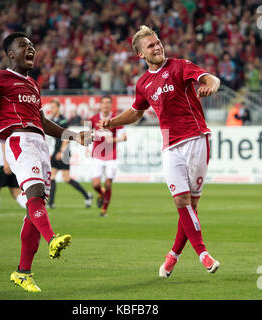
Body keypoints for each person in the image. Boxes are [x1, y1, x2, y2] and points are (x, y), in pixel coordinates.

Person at [0, 32, 92, 293]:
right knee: (34, 194)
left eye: (33, 46)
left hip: (39, 143)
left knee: (34, 210)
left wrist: (74, 136)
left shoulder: (34, 85)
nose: (31, 49)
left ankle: (22, 272)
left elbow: (43, 122)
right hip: (18, 139)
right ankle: (52, 238)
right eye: (24, 45)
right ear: (11, 53)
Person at [100, 26, 221, 277]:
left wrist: (211, 86)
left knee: (191, 205)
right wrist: (112, 122)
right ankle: (203, 254)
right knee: (180, 201)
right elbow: (135, 112)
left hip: (196, 138)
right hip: (169, 145)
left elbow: (210, 78)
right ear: (140, 55)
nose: (157, 47)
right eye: (151, 46)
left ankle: (173, 255)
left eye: (158, 43)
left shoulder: (180, 66)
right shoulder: (143, 83)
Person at [47, 99, 93, 209]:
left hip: (64, 152)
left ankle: (87, 196)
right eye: (51, 107)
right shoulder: (53, 120)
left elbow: (66, 136)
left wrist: (62, 152)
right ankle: (51, 203)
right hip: (56, 151)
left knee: (66, 179)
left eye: (53, 107)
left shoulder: (63, 120)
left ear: (58, 108)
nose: (51, 109)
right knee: (52, 177)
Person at [89, 95, 127, 217]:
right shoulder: (93, 119)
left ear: (111, 105)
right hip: (97, 154)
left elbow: (124, 137)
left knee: (108, 183)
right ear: (100, 105)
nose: (105, 105)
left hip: (111, 156)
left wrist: (113, 139)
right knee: (95, 184)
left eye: (108, 103)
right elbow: (88, 135)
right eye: (103, 103)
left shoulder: (116, 119)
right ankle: (101, 193)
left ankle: (104, 209)